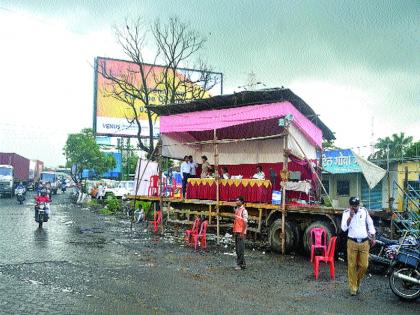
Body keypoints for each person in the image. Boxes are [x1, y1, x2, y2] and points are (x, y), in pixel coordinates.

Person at [341, 196, 376, 296]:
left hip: (364, 243)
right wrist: (350, 217)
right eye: (353, 206)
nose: (355, 208)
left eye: (356, 206)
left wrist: (373, 237)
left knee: (364, 266)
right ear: (350, 205)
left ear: (359, 205)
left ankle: (355, 281)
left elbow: (370, 223)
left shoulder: (364, 211)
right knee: (351, 266)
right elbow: (343, 228)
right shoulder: (346, 213)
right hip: (352, 242)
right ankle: (353, 287)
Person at [233, 196, 248, 270]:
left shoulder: (244, 211)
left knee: (240, 249)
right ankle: (243, 264)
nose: (236, 202)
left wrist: (242, 232)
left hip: (241, 232)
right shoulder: (237, 209)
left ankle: (239, 264)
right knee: (238, 249)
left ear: (242, 202)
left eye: (238, 200)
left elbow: (245, 223)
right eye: (236, 200)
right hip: (236, 231)